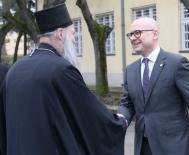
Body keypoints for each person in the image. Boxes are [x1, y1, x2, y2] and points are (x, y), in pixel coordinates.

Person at [0, 3, 126, 155]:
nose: (74, 39)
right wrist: (119, 122)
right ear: (60, 34)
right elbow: (89, 116)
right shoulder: (61, 70)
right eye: (73, 33)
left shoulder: (15, 69)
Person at [117, 17, 189, 155]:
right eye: (130, 34)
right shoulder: (130, 70)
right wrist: (121, 118)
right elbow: (127, 103)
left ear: (155, 34)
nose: (133, 38)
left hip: (176, 146)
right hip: (143, 147)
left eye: (138, 33)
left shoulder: (177, 64)